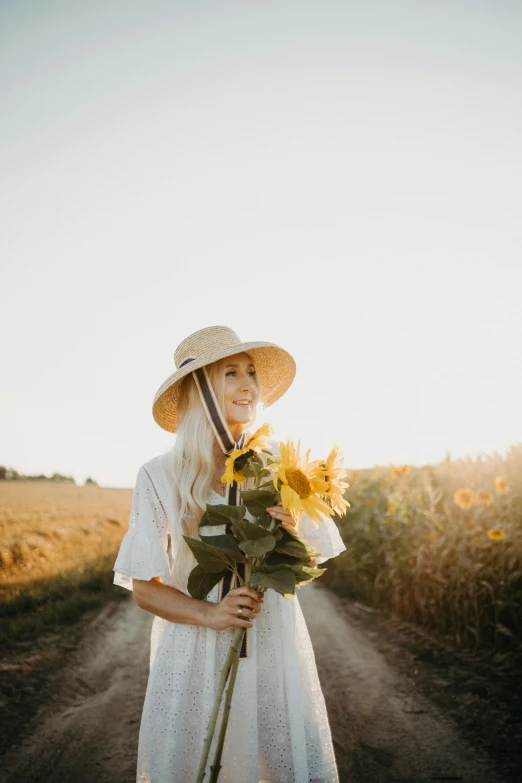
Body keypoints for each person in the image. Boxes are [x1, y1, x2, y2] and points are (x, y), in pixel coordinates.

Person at [113, 325, 347, 783]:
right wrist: (210, 614)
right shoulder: (159, 476)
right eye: (231, 373)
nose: (248, 386)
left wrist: (291, 532)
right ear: (199, 388)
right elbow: (144, 589)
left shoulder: (280, 463)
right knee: (200, 762)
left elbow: (306, 564)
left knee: (277, 759)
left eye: (252, 373)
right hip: (194, 644)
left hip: (271, 638)